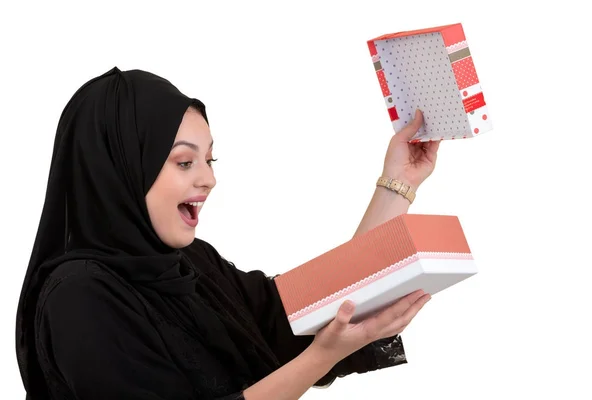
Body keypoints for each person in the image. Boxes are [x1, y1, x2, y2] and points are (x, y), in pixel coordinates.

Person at [15, 67, 440, 400]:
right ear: (121, 171)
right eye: (184, 162)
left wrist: (397, 183)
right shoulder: (79, 296)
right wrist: (324, 355)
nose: (208, 180)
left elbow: (303, 313)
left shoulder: (190, 264)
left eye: (210, 160)